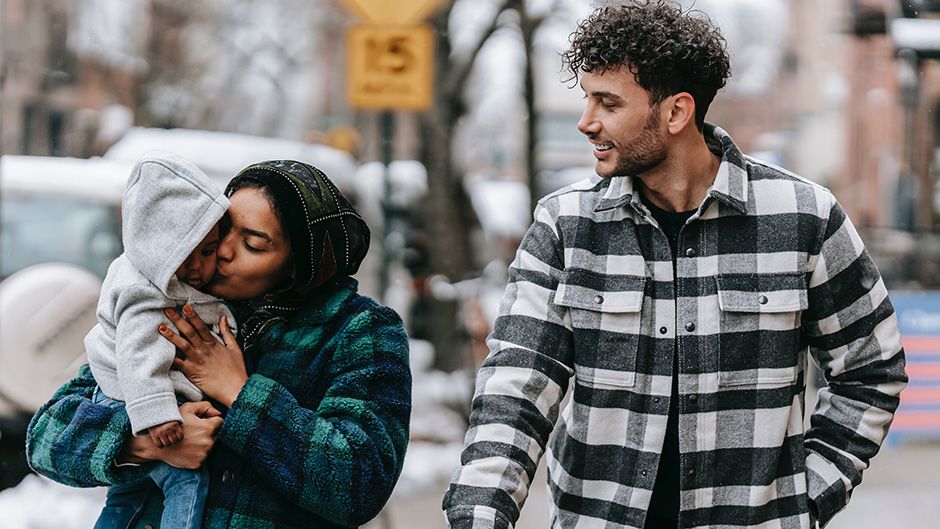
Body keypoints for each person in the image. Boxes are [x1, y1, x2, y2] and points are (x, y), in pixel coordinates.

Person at [443, 3, 907, 529]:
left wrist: (809, 495)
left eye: (608, 102)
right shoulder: (565, 226)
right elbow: (517, 383)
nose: (585, 121)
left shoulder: (804, 218)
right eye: (586, 98)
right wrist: (479, 513)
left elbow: (871, 368)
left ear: (675, 112)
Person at [27, 159, 412, 529]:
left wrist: (239, 392)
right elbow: (46, 437)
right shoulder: (174, 299)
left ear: (300, 263)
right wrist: (144, 442)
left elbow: (360, 483)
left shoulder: (360, 330)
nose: (222, 251)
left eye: (253, 244)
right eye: (222, 229)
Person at [83, 152, 234, 529]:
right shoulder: (147, 293)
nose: (198, 267)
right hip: (135, 398)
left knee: (128, 493)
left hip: (136, 395)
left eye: (208, 251)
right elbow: (136, 354)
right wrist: (157, 416)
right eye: (183, 255)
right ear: (158, 249)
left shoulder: (167, 282)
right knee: (188, 481)